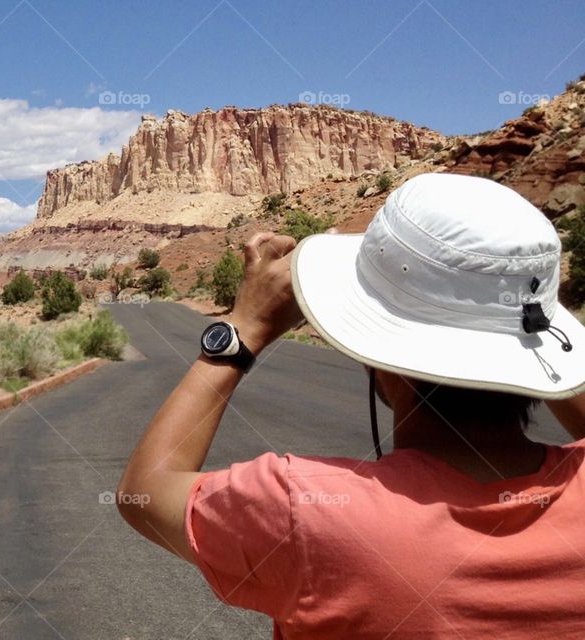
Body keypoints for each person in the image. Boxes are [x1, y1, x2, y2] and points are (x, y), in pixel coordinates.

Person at [117, 173, 585, 638]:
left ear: (381, 360)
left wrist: (246, 326)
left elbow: (145, 491)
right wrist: (520, 328)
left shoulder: (308, 511)